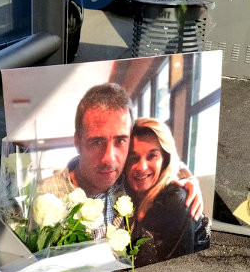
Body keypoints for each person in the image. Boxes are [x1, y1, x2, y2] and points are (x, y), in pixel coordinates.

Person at [36, 83, 204, 238]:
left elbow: (162, 161)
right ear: (77, 142)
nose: (109, 158)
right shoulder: (43, 197)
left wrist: (187, 177)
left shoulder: (130, 179)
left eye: (120, 141)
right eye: (97, 142)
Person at [125, 118, 211, 267]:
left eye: (152, 156)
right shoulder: (128, 190)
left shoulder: (175, 200)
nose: (142, 167)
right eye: (134, 158)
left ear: (164, 160)